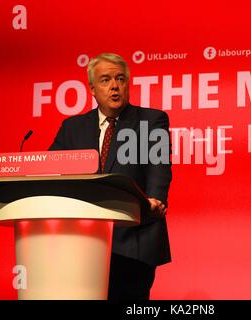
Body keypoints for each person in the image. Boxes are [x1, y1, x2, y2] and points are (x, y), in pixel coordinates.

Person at [49, 53, 172, 300]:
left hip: (134, 238)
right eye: (105, 80)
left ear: (128, 84)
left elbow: (159, 164)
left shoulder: (150, 120)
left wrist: (156, 198)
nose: (114, 86)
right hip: (83, 241)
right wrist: (9, 199)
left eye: (120, 79)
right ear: (92, 89)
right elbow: (49, 171)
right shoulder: (72, 127)